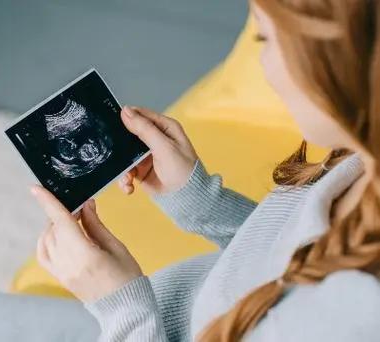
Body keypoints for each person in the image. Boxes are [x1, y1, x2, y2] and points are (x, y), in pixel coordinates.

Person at [30, 0, 380, 341]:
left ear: (342, 60)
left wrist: (121, 305)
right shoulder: (358, 166)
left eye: (266, 39)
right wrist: (198, 200)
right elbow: (280, 265)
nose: (263, 67)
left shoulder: (351, 314)